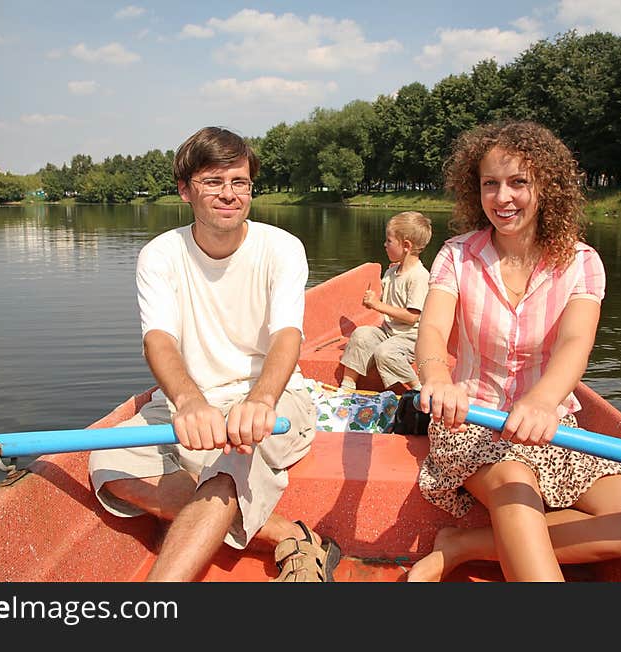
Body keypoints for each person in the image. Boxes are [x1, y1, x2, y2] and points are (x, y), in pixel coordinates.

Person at [408, 120, 621, 582]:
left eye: (518, 182)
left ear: (546, 186)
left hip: (549, 424)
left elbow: (575, 343)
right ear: (476, 190)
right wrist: (436, 378)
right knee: (516, 486)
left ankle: (463, 544)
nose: (503, 198)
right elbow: (433, 329)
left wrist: (543, 401)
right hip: (473, 423)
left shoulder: (582, 263)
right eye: (491, 184)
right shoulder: (456, 255)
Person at [88, 126, 341, 582]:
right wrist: (187, 400)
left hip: (270, 401)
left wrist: (261, 401)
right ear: (185, 190)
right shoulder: (160, 254)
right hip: (191, 407)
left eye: (239, 182)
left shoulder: (281, 248)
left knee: (230, 465)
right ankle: (288, 534)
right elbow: (158, 340)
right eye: (213, 182)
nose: (229, 194)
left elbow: (287, 335)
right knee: (106, 462)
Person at [338, 211, 432, 393]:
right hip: (388, 332)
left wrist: (377, 305)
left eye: (389, 241)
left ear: (406, 246)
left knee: (385, 352)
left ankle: (418, 389)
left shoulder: (419, 277)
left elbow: (412, 317)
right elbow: (392, 300)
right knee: (361, 334)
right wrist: (374, 300)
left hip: (410, 337)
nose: (384, 245)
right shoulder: (391, 272)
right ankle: (347, 386)